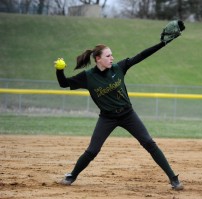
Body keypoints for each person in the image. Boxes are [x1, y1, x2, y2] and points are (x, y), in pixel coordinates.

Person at [54, 20, 185, 190]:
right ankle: (71, 176)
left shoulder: (119, 68)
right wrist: (59, 70)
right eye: (108, 56)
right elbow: (64, 83)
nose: (112, 58)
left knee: (149, 143)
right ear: (98, 59)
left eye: (111, 55)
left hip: (127, 114)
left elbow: (141, 55)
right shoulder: (87, 77)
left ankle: (173, 178)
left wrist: (163, 43)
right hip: (107, 117)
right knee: (92, 151)